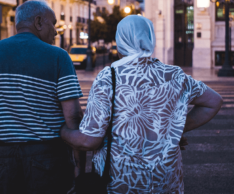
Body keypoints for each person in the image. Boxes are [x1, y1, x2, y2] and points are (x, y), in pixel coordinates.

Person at [61, 15, 223, 193]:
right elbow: (213, 101)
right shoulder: (174, 74)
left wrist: (63, 131)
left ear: (120, 40)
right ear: (150, 39)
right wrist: (173, 130)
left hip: (121, 180)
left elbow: (88, 140)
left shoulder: (109, 77)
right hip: (165, 179)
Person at [0, 0, 84, 194]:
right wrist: (79, 162)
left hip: (2, 157)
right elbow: (72, 115)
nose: (55, 31)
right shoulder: (58, 56)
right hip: (48, 158)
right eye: (52, 23)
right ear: (38, 22)